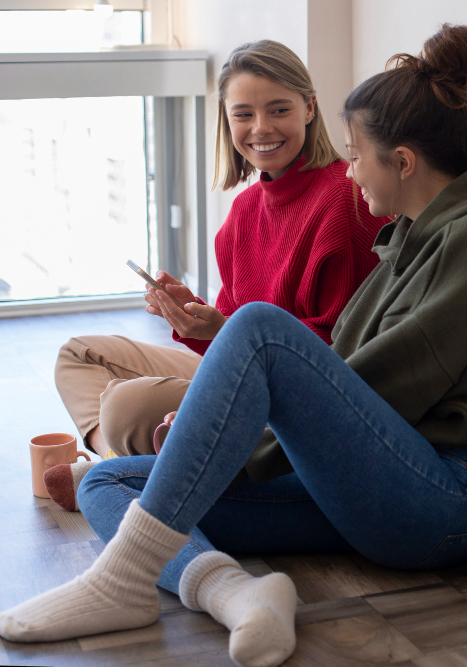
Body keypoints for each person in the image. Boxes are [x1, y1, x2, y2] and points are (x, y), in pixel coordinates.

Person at [0, 23, 467, 667]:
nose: (350, 168)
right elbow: (350, 384)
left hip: (439, 499)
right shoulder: (412, 235)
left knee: (255, 326)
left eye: (357, 153)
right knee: (108, 483)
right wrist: (215, 437)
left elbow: (388, 389)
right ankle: (240, 598)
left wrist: (237, 447)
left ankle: (121, 579)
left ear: (404, 162)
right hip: (363, 482)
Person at [52, 39, 390, 463]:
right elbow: (225, 338)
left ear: (309, 108)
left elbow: (346, 352)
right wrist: (193, 314)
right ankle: (114, 464)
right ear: (227, 122)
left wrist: (222, 330)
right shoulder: (243, 213)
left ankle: (126, 469)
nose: (261, 128)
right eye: (243, 114)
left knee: (124, 406)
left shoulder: (348, 199)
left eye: (279, 109)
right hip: (239, 372)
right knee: (77, 354)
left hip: (298, 394)